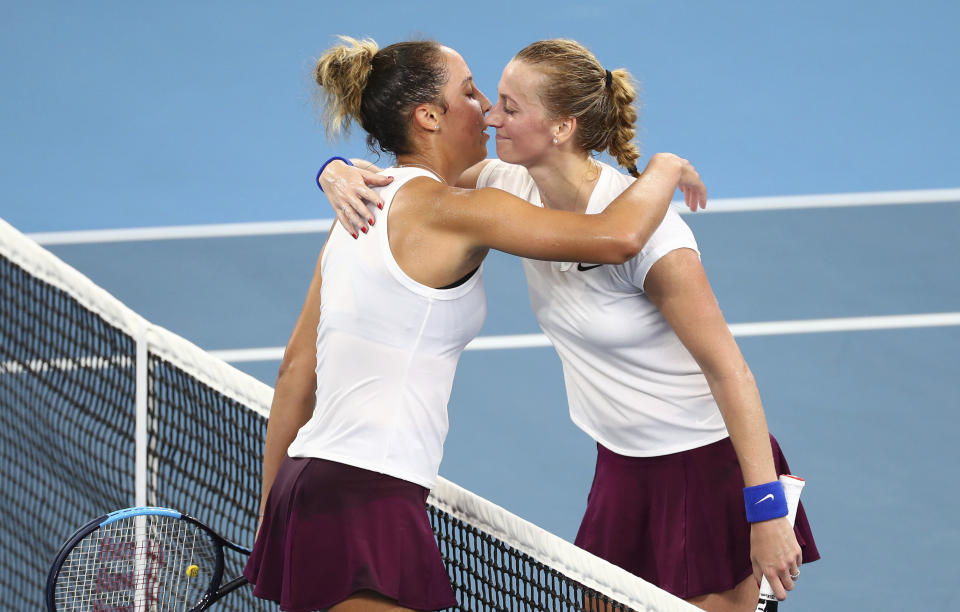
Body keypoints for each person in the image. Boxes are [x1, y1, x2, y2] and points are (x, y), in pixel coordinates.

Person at [320, 39, 818, 612]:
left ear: (561, 127)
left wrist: (766, 512)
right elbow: (407, 183)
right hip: (621, 466)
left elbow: (730, 372)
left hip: (704, 469)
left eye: (509, 106)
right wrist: (330, 171)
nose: (489, 114)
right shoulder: (506, 184)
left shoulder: (655, 237)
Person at [243, 35, 706, 612]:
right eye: (469, 93)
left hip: (304, 483)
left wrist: (273, 518)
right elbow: (616, 237)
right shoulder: (453, 213)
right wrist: (663, 166)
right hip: (369, 499)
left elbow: (294, 371)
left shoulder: (356, 212)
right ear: (429, 116)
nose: (486, 111)